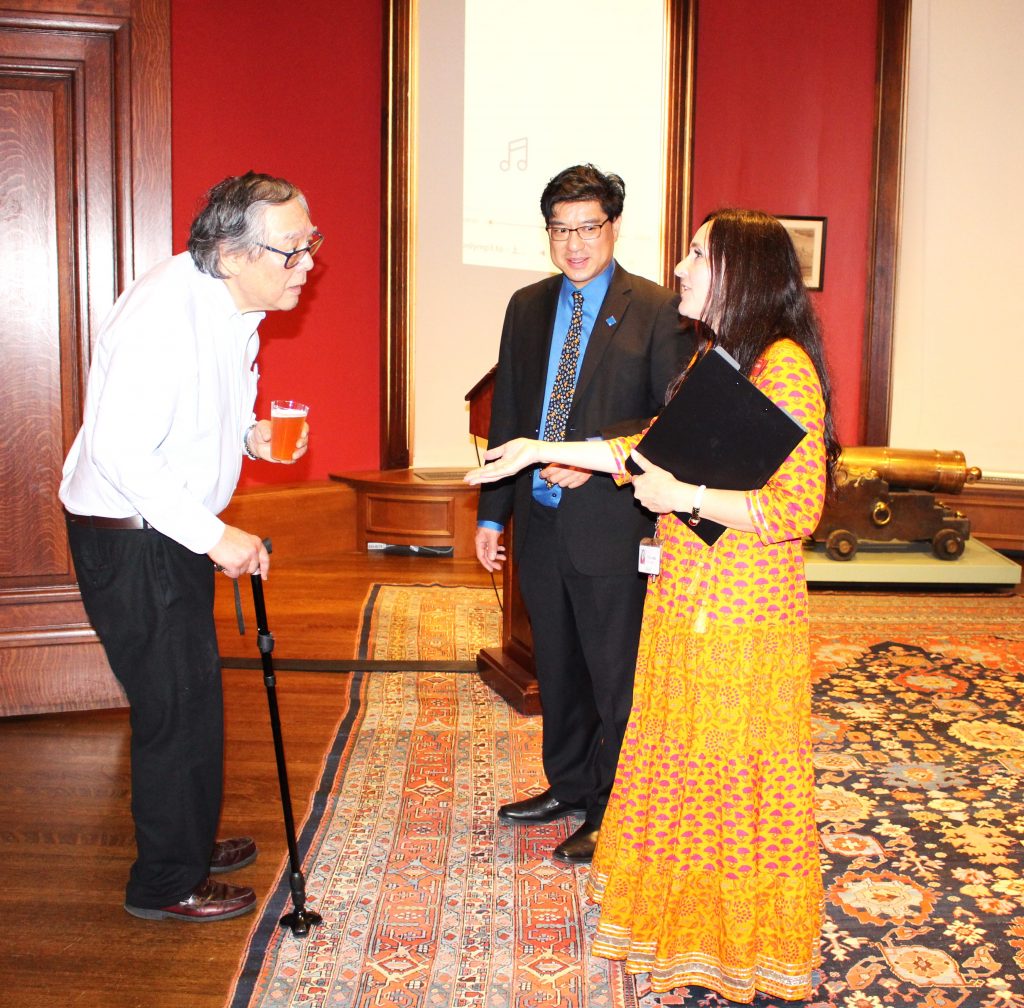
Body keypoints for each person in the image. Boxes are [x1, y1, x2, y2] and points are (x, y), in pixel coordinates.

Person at [467, 208, 840, 1001]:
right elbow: (638, 450)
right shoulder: (728, 357)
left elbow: (796, 509)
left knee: (728, 766)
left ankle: (733, 938)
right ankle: (683, 922)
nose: (680, 267)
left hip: (738, 609)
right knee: (682, 756)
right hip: (691, 593)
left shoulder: (784, 369)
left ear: (737, 270)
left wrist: (684, 494)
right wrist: (538, 448)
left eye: (698, 255)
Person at [59, 171, 320, 922]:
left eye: (311, 243)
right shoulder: (163, 316)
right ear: (235, 253)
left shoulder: (233, 302)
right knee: (174, 707)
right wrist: (217, 537)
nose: (307, 262)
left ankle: (189, 840)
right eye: (293, 248)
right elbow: (121, 453)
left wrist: (248, 435)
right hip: (136, 539)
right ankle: (166, 882)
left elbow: (192, 415)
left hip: (167, 529)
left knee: (196, 695)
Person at [475, 164, 690, 865]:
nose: (574, 244)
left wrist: (595, 455)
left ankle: (614, 807)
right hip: (539, 522)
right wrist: (491, 514)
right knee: (559, 668)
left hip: (610, 522)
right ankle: (567, 785)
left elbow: (668, 420)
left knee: (612, 674)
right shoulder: (525, 306)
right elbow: (509, 416)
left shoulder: (657, 309)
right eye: (561, 229)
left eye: (587, 228)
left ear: (614, 227)